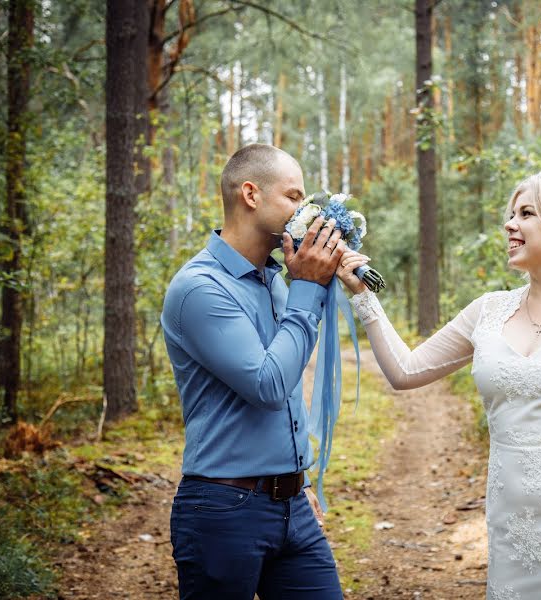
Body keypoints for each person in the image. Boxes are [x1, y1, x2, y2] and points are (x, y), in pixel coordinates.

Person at [337, 165, 541, 598]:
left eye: (527, 213)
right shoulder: (487, 312)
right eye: (512, 214)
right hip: (515, 530)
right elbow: (406, 371)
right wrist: (364, 298)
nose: (510, 224)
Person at [161, 143, 353, 599]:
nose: (305, 209)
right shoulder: (199, 288)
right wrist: (306, 286)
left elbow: (287, 391)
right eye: (293, 196)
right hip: (223, 510)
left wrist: (294, 484)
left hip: (293, 508)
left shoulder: (276, 281)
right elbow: (266, 384)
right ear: (251, 194)